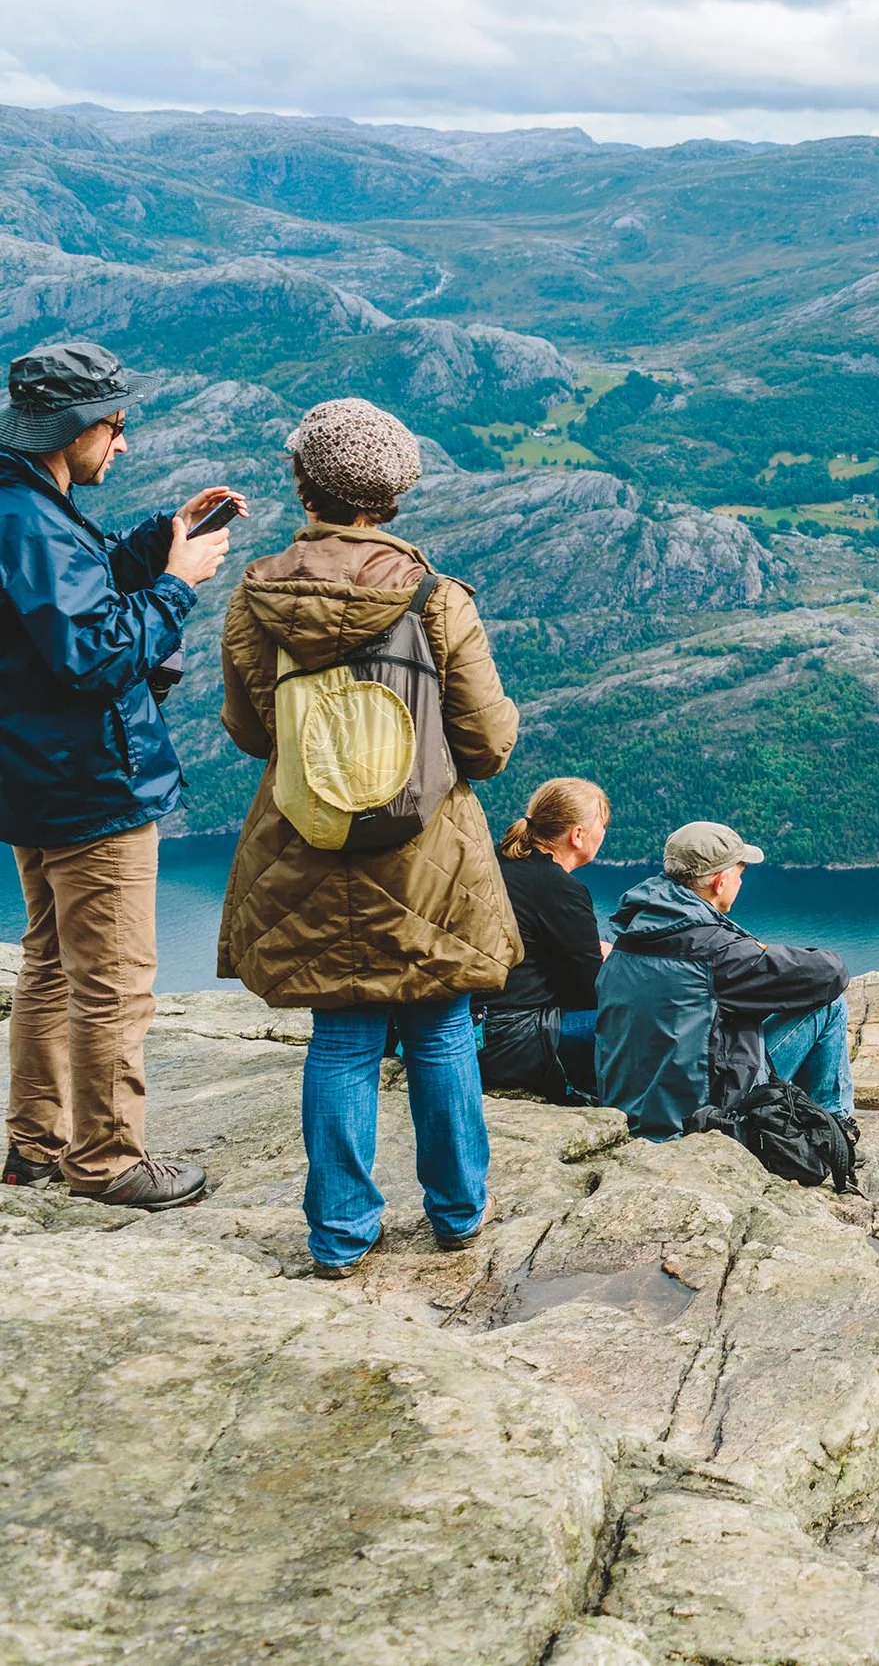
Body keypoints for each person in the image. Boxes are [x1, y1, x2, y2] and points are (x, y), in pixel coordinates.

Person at [218, 398, 520, 1277]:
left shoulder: (258, 594)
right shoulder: (434, 598)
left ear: (304, 482)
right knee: (440, 1030)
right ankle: (459, 1212)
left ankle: (340, 1234)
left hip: (305, 843)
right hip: (426, 851)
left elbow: (248, 729)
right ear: (392, 496)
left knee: (343, 1039)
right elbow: (489, 745)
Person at [0, 342, 244, 1209]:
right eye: (116, 426)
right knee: (112, 982)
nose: (124, 444)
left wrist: (157, 541)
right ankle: (107, 1160)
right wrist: (176, 587)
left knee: (54, 964)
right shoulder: (26, 517)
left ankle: (34, 1146)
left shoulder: (28, 501)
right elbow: (94, 655)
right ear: (73, 429)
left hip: (38, 778)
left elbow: (72, 600)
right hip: (90, 786)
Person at [598, 821, 851, 1141]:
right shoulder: (716, 952)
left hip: (630, 1108)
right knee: (830, 1006)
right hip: (704, 1118)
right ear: (720, 881)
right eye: (740, 873)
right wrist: (762, 951)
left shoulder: (630, 932)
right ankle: (833, 1127)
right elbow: (830, 973)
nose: (740, 882)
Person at [480, 777, 611, 1103]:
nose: (604, 833)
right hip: (513, 1039)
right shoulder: (559, 888)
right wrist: (607, 959)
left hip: (467, 1027)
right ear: (578, 835)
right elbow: (590, 992)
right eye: (602, 824)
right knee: (642, 1019)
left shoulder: (495, 861)